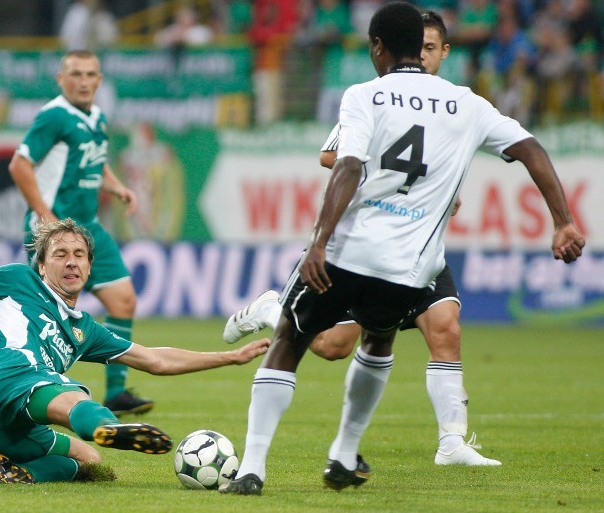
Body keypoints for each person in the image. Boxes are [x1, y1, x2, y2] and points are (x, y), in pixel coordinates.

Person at [219, 1, 584, 495]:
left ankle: (252, 470)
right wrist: (562, 221)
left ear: (377, 46)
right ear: (423, 47)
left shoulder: (365, 95)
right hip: (408, 268)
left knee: (291, 341)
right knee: (376, 342)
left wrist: (319, 243)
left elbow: (346, 166)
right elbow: (530, 149)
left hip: (350, 253)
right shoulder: (467, 103)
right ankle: (343, 456)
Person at [223, 10, 499, 467]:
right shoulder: (377, 97)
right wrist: (390, 176)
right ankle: (272, 309)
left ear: (444, 52)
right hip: (366, 246)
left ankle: (452, 443)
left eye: (432, 49)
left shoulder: (456, 104)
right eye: (420, 48)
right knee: (333, 347)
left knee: (446, 328)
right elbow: (333, 154)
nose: (424, 57)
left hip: (422, 249)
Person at [0, 218, 270, 484]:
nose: (71, 261)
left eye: (79, 254)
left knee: (90, 463)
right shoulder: (20, 280)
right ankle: (106, 425)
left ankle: (21, 473)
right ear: (43, 264)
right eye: (60, 254)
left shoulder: (86, 329)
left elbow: (154, 359)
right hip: (0, 380)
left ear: (91, 268)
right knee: (69, 392)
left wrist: (228, 358)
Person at [8, 50, 151, 417]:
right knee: (37, 315)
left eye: (90, 74)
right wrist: (45, 216)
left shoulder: (99, 117)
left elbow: (96, 161)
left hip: (91, 228)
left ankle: (117, 393)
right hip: (55, 231)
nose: (83, 81)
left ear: (99, 80)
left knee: (123, 302)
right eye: (75, 74)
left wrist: (117, 187)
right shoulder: (54, 116)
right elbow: (19, 165)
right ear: (61, 79)